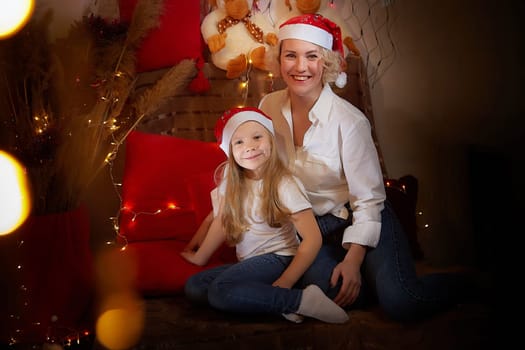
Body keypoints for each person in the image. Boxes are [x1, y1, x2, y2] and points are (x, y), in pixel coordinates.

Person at [256, 13, 471, 322]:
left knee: (402, 302)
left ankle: (464, 282)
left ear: (326, 63)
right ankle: (374, 283)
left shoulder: (350, 121)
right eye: (291, 55)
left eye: (311, 56)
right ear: (279, 60)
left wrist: (354, 260)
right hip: (314, 227)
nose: (300, 67)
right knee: (324, 292)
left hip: (362, 215)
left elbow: (368, 201)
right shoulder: (268, 106)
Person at [181, 106, 349, 324]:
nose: (249, 147)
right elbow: (222, 220)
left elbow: (313, 238)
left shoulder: (283, 184)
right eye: (238, 142)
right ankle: (267, 298)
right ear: (230, 150)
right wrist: (199, 256)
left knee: (220, 292)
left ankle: (301, 300)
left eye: (257, 137)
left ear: (270, 140)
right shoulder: (231, 181)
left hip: (279, 257)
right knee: (195, 287)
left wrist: (287, 280)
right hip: (250, 261)